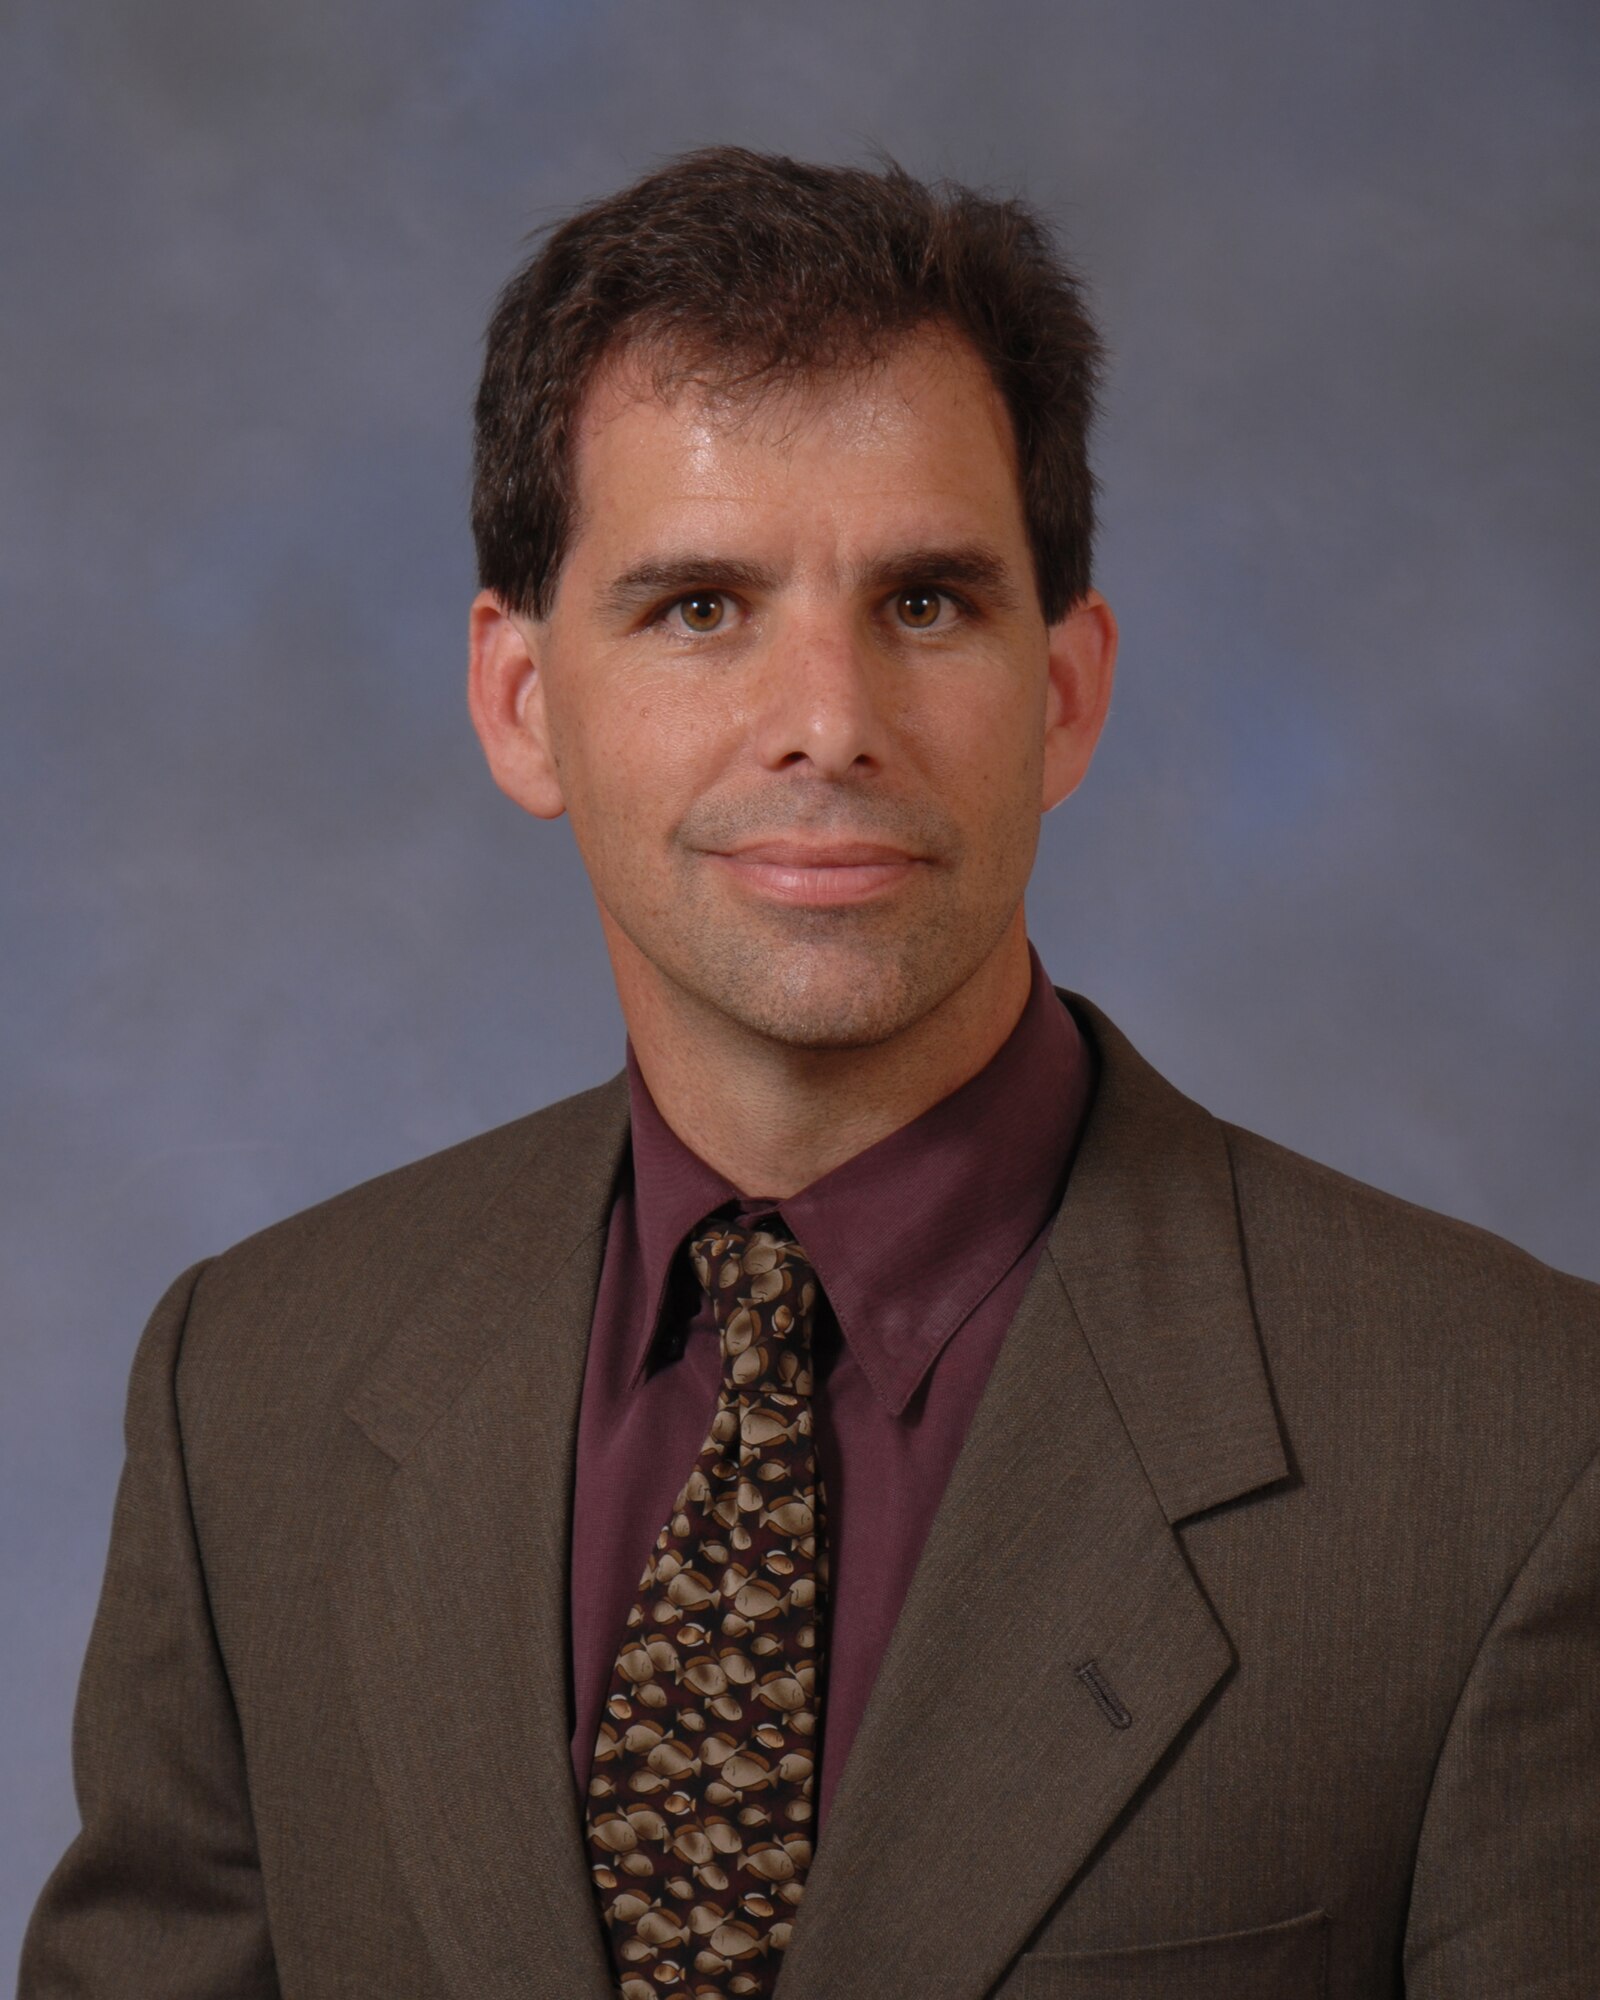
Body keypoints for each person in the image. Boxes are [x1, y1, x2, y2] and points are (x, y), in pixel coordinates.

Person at [19, 145, 1597, 2000]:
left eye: (925, 603)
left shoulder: (1521, 1452)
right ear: (520, 702)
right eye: (700, 607)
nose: (830, 725)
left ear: (1066, 691)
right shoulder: (251, 1394)